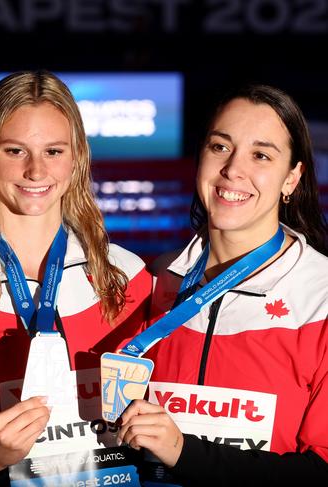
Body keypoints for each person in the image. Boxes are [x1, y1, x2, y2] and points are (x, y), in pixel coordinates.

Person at [0, 70, 152, 484]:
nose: (36, 171)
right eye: (15, 150)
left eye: (53, 151)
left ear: (77, 158)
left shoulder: (129, 279)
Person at [117, 84, 328, 485]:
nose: (233, 170)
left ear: (292, 177)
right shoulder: (154, 282)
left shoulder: (321, 300)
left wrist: (184, 452)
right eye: (220, 147)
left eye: (261, 155)